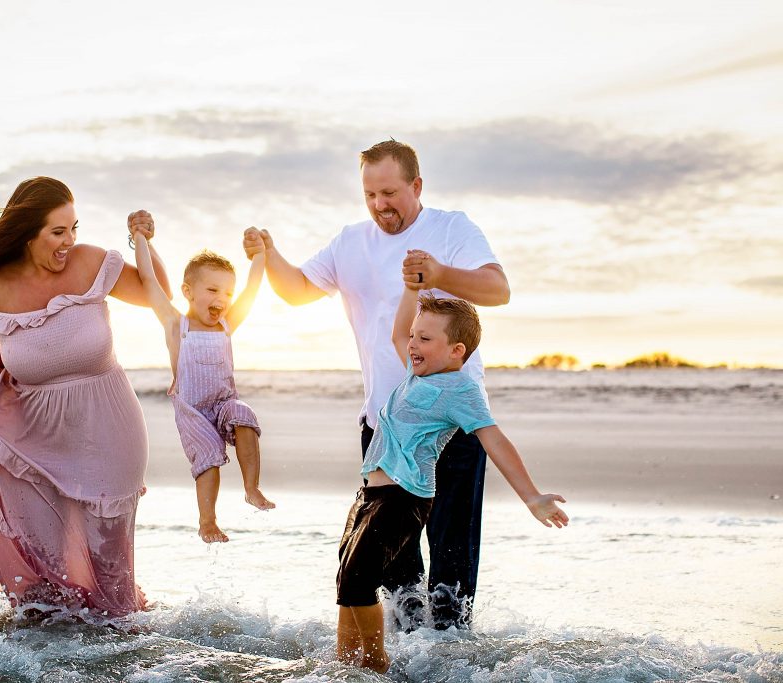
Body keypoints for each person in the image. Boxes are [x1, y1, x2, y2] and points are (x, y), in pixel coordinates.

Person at [244, 139, 510, 629]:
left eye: (389, 192)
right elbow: (298, 290)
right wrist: (269, 254)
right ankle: (403, 663)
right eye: (369, 194)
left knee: (452, 578)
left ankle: (450, 665)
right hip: (385, 430)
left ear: (416, 185)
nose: (379, 204)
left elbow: (499, 289)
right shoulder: (350, 242)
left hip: (452, 426)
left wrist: (442, 273)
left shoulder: (452, 229)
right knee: (397, 582)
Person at [0, 177, 172, 618]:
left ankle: (123, 654)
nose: (69, 241)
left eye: (74, 229)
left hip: (109, 428)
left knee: (110, 564)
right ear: (29, 233)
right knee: (45, 566)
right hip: (35, 437)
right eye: (58, 231)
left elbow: (153, 293)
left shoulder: (89, 262)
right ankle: (50, 657)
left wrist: (143, 243)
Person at [336, 277, 568, 673]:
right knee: (347, 580)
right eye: (415, 336)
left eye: (425, 339)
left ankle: (375, 666)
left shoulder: (461, 388)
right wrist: (411, 288)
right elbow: (396, 332)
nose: (412, 344)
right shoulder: (416, 374)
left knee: (359, 582)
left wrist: (532, 497)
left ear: (456, 350)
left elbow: (495, 440)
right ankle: (342, 663)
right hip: (370, 497)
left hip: (403, 499)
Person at [132, 224, 275, 543]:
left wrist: (259, 256)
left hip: (223, 404)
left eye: (226, 293)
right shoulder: (175, 324)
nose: (221, 299)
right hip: (193, 412)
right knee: (209, 456)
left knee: (245, 415)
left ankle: (251, 488)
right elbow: (148, 280)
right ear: (188, 291)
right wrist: (141, 239)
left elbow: (252, 289)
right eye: (212, 290)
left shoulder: (226, 325)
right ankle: (207, 522)